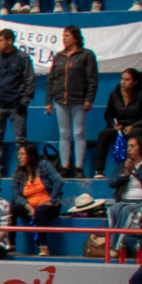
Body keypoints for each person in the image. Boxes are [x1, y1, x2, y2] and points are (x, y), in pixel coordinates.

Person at [48, 27, 99, 177]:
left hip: (79, 100)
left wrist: (89, 99)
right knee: (63, 133)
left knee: (78, 133)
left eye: (68, 36)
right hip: (60, 100)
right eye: (63, 36)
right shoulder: (59, 56)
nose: (64, 38)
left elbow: (92, 79)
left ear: (76, 37)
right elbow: (51, 79)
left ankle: (79, 167)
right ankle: (64, 166)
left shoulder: (87, 55)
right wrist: (48, 101)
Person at [0, 27, 35, 160]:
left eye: (1, 40)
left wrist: (24, 102)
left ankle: (22, 168)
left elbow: (29, 79)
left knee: (21, 140)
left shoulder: (23, 58)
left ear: (10, 41)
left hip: (17, 106)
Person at [97, 69, 142, 175]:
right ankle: (99, 170)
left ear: (135, 81)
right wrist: (113, 124)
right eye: (122, 79)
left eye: (127, 80)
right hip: (120, 128)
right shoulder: (115, 94)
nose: (123, 82)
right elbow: (108, 114)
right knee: (104, 134)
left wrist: (133, 126)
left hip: (139, 127)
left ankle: (134, 167)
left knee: (135, 135)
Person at [9, 142, 64, 257]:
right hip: (31, 207)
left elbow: (59, 181)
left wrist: (52, 200)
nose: (19, 157)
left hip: (50, 206)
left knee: (40, 210)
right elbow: (16, 195)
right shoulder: (19, 173)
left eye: (22, 154)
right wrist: (28, 206)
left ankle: (43, 246)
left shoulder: (44, 165)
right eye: (18, 154)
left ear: (31, 155)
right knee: (11, 208)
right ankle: (11, 244)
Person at [106, 134, 142, 229]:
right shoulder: (124, 165)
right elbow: (111, 183)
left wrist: (134, 171)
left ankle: (120, 241)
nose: (128, 149)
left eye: (132, 146)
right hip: (124, 200)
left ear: (141, 147)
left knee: (126, 211)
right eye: (128, 146)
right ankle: (113, 238)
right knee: (113, 209)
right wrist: (125, 175)